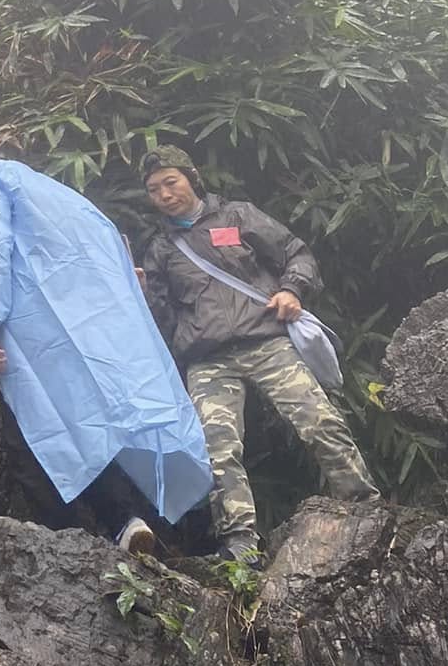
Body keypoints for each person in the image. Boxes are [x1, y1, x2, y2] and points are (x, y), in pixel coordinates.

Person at [0, 131, 212, 553]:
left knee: (40, 429)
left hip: (33, 329)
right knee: (101, 420)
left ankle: (78, 536)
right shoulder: (48, 187)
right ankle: (157, 526)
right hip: (92, 325)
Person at [139, 145, 380, 559]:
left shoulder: (237, 216)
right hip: (208, 359)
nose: (164, 194)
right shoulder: (161, 249)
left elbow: (295, 253)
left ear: (191, 178)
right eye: (154, 189)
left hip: (265, 340)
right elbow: (165, 322)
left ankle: (365, 509)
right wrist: (143, 295)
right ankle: (240, 544)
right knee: (217, 448)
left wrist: (291, 289)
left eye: (171, 182)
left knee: (318, 421)